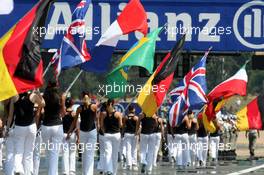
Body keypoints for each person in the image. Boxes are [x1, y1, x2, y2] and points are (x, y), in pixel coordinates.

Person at [11, 91, 45, 175]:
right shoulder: (32, 96)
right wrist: (40, 95)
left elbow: (10, 115)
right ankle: (27, 172)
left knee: (18, 151)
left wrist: (8, 128)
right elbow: (43, 104)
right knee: (29, 153)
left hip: (19, 127)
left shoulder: (14, 97)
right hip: (31, 126)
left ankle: (18, 168)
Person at [67, 92, 98, 175]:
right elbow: (95, 119)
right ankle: (86, 173)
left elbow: (75, 122)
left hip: (86, 132)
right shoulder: (91, 107)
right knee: (88, 154)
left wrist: (69, 132)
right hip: (89, 132)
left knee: (86, 153)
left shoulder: (82, 108)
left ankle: (87, 173)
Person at [42, 81, 66, 175]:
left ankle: (52, 172)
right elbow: (63, 114)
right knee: (54, 153)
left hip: (46, 126)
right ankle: (52, 173)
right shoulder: (59, 98)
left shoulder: (44, 97)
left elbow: (41, 111)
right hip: (57, 126)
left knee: (48, 153)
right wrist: (63, 102)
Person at [100, 99, 123, 175]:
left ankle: (109, 170)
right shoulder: (118, 114)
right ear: (113, 104)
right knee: (115, 154)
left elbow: (101, 125)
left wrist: (104, 132)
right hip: (116, 134)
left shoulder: (103, 114)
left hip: (107, 134)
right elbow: (120, 125)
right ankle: (114, 172)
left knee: (107, 153)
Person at [62, 97, 79, 175]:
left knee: (65, 153)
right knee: (72, 153)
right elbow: (77, 126)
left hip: (64, 135)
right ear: (72, 104)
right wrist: (78, 137)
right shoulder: (74, 113)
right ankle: (72, 171)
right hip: (72, 134)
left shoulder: (62, 113)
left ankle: (65, 171)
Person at [123, 105, 138, 170]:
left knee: (128, 149)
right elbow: (138, 127)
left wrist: (123, 133)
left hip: (127, 133)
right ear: (133, 110)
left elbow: (123, 126)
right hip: (134, 134)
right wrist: (137, 133)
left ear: (129, 110)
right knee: (134, 149)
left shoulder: (125, 117)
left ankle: (128, 164)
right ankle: (134, 163)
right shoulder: (136, 118)